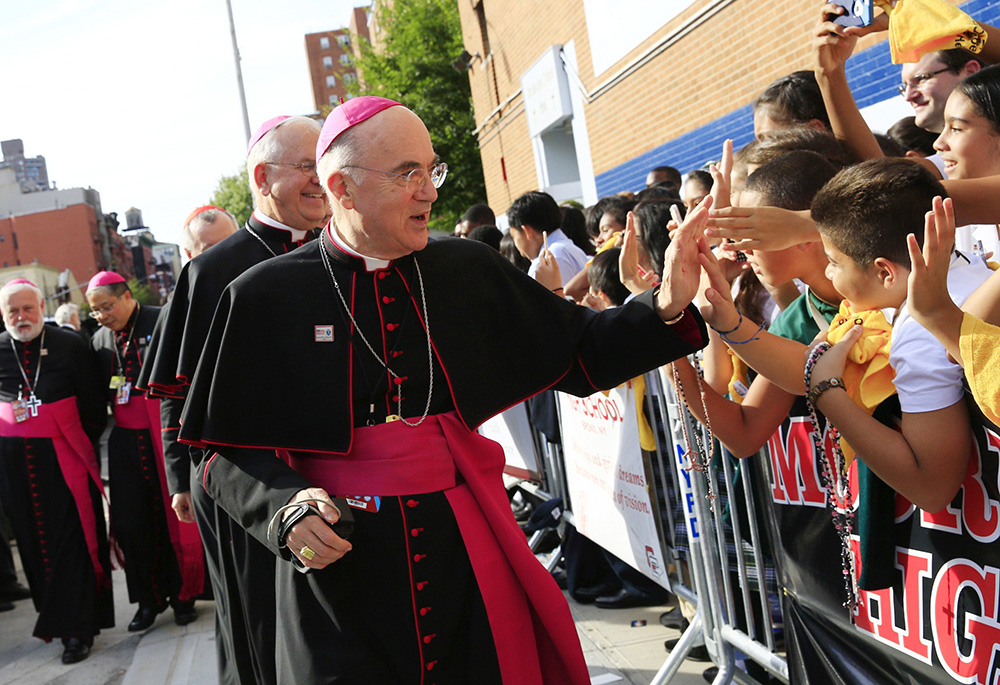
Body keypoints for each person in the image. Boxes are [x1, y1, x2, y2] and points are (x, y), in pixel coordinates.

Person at [176, 95, 711, 683]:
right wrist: (282, 508)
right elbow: (220, 449)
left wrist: (666, 303)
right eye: (407, 173)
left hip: (459, 542)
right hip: (334, 567)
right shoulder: (261, 296)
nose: (429, 190)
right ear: (342, 188)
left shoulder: (465, 268)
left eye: (432, 169)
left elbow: (580, 351)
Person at [136, 115, 326, 685]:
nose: (323, 179)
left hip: (334, 471)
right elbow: (187, 403)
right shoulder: (213, 271)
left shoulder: (343, 247)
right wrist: (180, 479)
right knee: (259, 630)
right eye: (307, 166)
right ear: (264, 176)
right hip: (249, 482)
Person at [0, 278, 112, 664]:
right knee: (33, 546)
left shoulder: (69, 346)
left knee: (72, 545)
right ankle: (56, 622)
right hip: (16, 474)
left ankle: (79, 629)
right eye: (12, 310)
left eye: (27, 308)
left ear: (42, 306)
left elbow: (95, 408)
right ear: (3, 314)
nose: (21, 316)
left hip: (64, 470)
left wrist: (66, 439)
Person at [87, 271, 204, 632]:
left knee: (175, 518)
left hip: (164, 434)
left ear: (126, 296)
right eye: (95, 312)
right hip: (125, 442)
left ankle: (184, 597)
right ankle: (148, 601)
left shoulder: (161, 319)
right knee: (132, 523)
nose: (102, 316)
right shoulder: (98, 340)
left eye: (106, 307)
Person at [507, 190, 589, 287]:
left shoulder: (545, 263)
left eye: (514, 236)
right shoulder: (569, 249)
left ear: (527, 231)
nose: (516, 243)